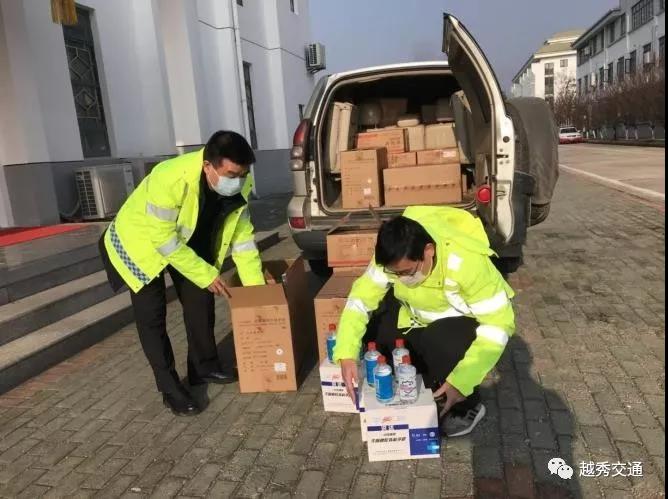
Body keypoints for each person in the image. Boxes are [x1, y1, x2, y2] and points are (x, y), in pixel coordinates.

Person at [98, 131, 267, 416]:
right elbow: (163, 240)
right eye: (231, 174)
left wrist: (257, 294)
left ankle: (204, 366)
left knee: (201, 299)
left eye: (243, 174)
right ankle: (169, 388)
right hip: (140, 243)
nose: (238, 181)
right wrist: (205, 273)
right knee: (152, 316)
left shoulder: (240, 184)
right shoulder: (170, 178)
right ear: (208, 166)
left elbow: (243, 241)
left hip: (184, 241)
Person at [333, 206, 515, 437]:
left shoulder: (467, 263)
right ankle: (430, 384)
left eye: (408, 272)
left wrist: (462, 381)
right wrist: (346, 353)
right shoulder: (393, 253)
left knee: (439, 341)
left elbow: (498, 326)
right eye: (395, 274)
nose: (402, 279)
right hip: (415, 317)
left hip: (458, 326)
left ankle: (467, 404)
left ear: (429, 251)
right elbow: (360, 300)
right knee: (375, 335)